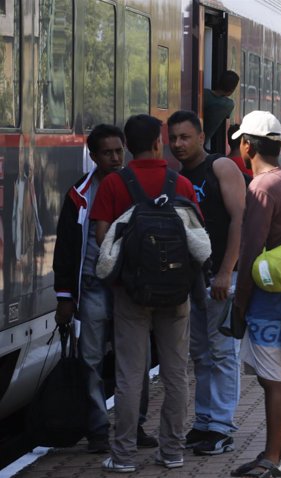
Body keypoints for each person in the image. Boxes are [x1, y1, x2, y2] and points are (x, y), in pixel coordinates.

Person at [92, 114, 200, 472]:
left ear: (127, 144)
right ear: (158, 142)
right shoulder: (180, 183)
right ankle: (172, 451)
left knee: (128, 375)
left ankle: (122, 456)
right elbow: (195, 239)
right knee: (176, 374)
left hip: (131, 293)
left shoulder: (113, 185)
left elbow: (102, 239)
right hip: (175, 293)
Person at [53, 124, 158, 454]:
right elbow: (66, 248)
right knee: (91, 359)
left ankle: (134, 423)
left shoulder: (135, 186)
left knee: (137, 358)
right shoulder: (79, 194)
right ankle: (98, 428)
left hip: (130, 287)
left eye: (119, 151)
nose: (115, 158)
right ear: (94, 156)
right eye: (107, 153)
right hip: (94, 286)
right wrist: (65, 296)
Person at [167, 110, 246, 456]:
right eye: (173, 138)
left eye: (185, 137)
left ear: (201, 136)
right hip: (196, 280)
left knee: (223, 352)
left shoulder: (220, 167)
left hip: (221, 276)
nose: (178, 144)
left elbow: (240, 220)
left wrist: (227, 270)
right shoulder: (180, 176)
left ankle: (221, 427)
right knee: (200, 354)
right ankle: (204, 422)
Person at [231, 111, 281, 477]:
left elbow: (251, 249)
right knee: (271, 377)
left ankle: (273, 459)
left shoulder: (260, 186)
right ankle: (276, 454)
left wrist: (239, 304)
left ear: (246, 145)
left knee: (272, 378)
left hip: (268, 297)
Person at [203, 70, 240, 151]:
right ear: (231, 90)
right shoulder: (228, 105)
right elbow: (227, 118)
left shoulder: (203, 93)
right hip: (202, 142)